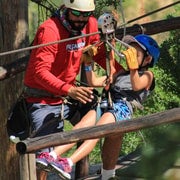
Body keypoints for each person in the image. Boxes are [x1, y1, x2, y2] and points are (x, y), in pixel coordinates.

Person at [35, 34, 160, 180]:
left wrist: (133, 69)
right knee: (81, 126)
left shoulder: (148, 75)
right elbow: (94, 81)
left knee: (95, 132)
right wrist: (88, 64)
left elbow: (137, 85)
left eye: (134, 52)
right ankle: (52, 156)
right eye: (128, 50)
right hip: (105, 104)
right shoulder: (121, 73)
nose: (129, 54)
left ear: (148, 59)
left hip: (121, 109)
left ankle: (68, 163)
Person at [23, 0, 121, 180]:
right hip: (43, 99)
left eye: (86, 14)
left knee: (113, 116)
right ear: (66, 9)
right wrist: (68, 89)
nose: (82, 19)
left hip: (69, 94)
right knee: (44, 155)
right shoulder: (50, 30)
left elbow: (96, 52)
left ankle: (108, 175)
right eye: (77, 14)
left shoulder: (90, 24)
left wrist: (118, 70)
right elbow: (40, 72)